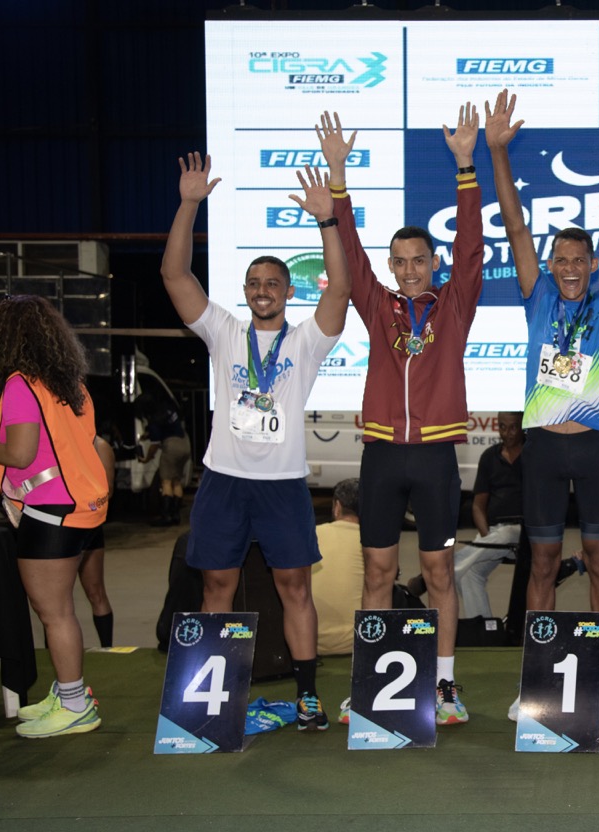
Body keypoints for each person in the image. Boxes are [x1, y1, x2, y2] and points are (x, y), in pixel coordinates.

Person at [160, 153, 350, 731]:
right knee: (217, 585)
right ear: (244, 291)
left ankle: (308, 696)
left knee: (295, 588)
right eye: (255, 283)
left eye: (273, 283)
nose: (263, 290)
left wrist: (327, 221)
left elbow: (341, 288)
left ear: (288, 291)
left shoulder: (306, 342)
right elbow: (174, 276)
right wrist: (188, 204)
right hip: (224, 481)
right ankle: (214, 699)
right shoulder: (224, 331)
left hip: (282, 486)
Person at [486, 88, 599, 702]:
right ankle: (537, 682)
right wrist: (497, 152)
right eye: (560, 258)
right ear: (551, 262)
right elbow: (513, 222)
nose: (568, 267)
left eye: (578, 260)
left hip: (593, 449)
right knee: (539, 566)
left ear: (591, 263)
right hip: (542, 448)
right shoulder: (535, 294)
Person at [316, 105, 482, 725]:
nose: (410, 270)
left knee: (439, 572)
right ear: (391, 266)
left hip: (436, 456)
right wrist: (338, 177)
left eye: (419, 260)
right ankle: (370, 684)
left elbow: (472, 246)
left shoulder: (454, 305)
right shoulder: (376, 303)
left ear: (433, 263)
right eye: (401, 261)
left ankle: (445, 688)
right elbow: (350, 253)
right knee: (379, 572)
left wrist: (466, 166)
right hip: (383, 453)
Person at [0, 295, 110, 738]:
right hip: (77, 507)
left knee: (55, 613)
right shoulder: (67, 382)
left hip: (50, 512)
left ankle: (75, 704)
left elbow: (21, 454)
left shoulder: (20, 385)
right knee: (60, 609)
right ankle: (66, 693)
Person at [452, 411, 526, 619]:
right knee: (469, 575)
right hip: (492, 536)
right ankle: (485, 628)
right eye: (502, 427)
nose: (507, 433)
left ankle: (449, 567)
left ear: (523, 427)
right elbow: (478, 506)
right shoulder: (489, 457)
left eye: (513, 427)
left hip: (523, 534)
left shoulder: (534, 455)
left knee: (506, 533)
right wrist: (486, 537)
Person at [312, 477, 365, 657]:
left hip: (307, 642)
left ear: (337, 507)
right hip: (358, 643)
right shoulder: (372, 543)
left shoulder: (313, 534)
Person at [78, 437, 116, 647]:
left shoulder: (100, 446)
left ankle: (107, 649)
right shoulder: (58, 439)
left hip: (87, 526)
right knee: (56, 602)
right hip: (57, 527)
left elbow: (107, 491)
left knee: (96, 592)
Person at [137, 396, 191, 526]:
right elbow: (168, 427)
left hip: (171, 447)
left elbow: (154, 445)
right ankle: (176, 515)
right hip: (185, 444)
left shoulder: (154, 420)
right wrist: (149, 434)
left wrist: (146, 459)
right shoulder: (168, 409)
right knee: (176, 481)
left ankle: (166, 516)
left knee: (166, 481)